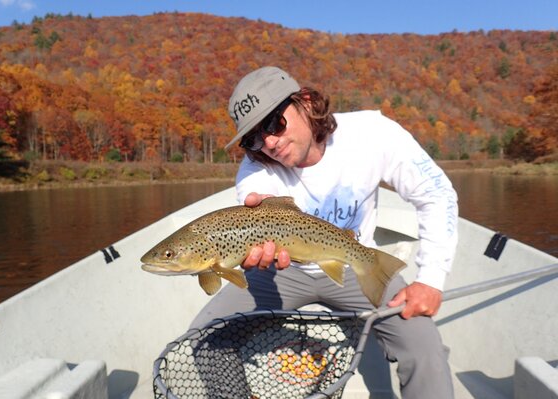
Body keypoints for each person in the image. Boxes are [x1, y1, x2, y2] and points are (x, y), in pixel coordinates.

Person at [191, 66, 458, 398]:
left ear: (304, 102)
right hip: (281, 270)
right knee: (204, 339)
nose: (269, 143)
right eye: (254, 138)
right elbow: (261, 203)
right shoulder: (255, 169)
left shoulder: (372, 133)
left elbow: (437, 195)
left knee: (424, 349)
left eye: (274, 123)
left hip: (354, 261)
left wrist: (431, 278)